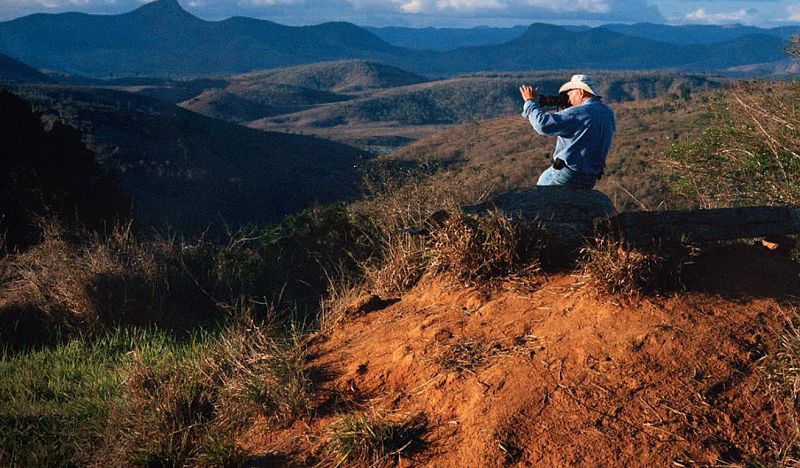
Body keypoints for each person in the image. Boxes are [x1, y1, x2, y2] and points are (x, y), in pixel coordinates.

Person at [519, 74, 615, 189]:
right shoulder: (608, 113)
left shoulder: (579, 112)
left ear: (580, 92)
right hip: (590, 178)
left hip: (568, 174)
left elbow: (542, 125)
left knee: (538, 198)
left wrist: (530, 102)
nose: (567, 97)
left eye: (569, 92)